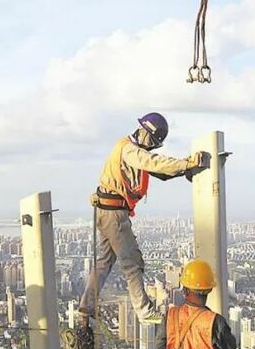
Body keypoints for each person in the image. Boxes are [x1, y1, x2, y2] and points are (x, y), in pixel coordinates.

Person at [77, 113, 209, 327]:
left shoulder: (131, 150)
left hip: (107, 212)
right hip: (114, 215)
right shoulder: (129, 150)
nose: (152, 148)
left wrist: (186, 169)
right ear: (147, 134)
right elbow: (153, 163)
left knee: (103, 262)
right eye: (154, 143)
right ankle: (144, 311)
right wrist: (187, 162)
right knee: (132, 263)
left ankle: (87, 305)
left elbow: (161, 173)